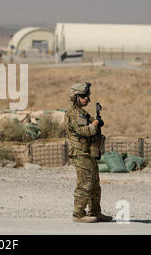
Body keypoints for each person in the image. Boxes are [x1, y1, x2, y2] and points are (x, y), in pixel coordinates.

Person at [65, 82, 113, 223]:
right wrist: (95, 124)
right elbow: (84, 131)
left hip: (90, 153)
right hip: (81, 153)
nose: (87, 99)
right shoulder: (74, 113)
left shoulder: (83, 113)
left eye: (87, 96)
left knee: (94, 184)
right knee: (84, 183)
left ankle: (95, 212)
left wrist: (97, 121)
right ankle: (78, 214)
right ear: (75, 97)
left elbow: (92, 126)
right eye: (83, 96)